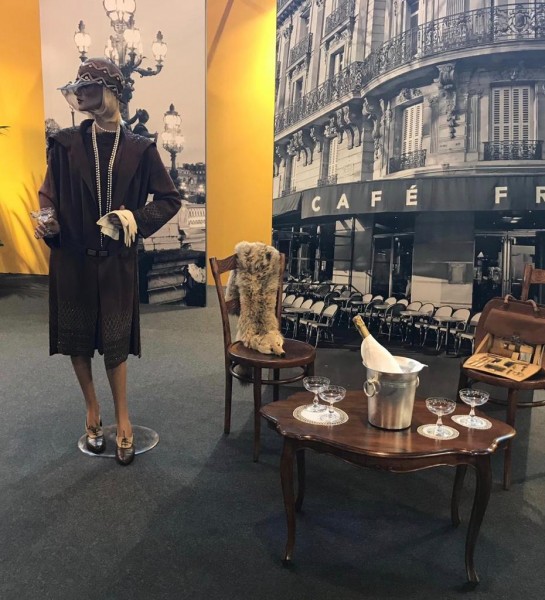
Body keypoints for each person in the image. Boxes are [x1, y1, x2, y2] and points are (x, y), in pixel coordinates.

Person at [34, 58, 181, 465]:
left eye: (90, 88)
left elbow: (170, 199)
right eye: (78, 89)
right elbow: (47, 193)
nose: (81, 95)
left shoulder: (140, 148)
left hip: (117, 262)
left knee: (115, 345)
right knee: (77, 339)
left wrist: (135, 218)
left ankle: (123, 417)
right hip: (72, 258)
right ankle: (92, 410)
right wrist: (48, 218)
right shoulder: (64, 145)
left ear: (112, 92)